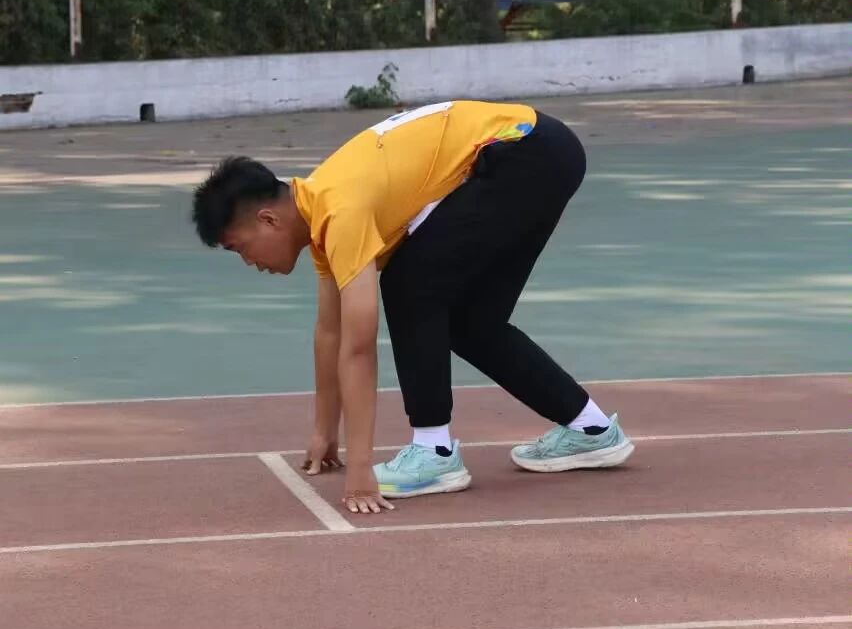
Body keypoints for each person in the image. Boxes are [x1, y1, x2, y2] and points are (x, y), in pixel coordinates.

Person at [192, 100, 633, 515]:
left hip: (523, 149)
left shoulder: (340, 210)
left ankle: (433, 451)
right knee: (471, 323)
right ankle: (591, 429)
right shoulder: (320, 213)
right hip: (541, 152)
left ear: (268, 219)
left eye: (240, 248)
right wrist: (324, 431)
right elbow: (332, 332)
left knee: (411, 284)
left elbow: (359, 347)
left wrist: (361, 470)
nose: (248, 262)